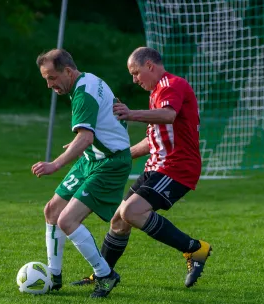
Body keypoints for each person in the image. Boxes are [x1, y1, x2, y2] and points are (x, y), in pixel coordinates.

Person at [71, 46, 212, 289]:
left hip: (177, 167)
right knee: (119, 220)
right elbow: (153, 140)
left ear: (150, 65)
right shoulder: (157, 92)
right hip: (157, 166)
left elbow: (168, 116)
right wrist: (114, 155)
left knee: (132, 212)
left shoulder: (172, 84)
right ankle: (103, 274)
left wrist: (130, 114)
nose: (134, 80)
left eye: (136, 73)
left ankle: (195, 249)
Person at [32, 48, 132, 298]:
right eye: (45, 79)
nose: (49, 85)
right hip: (93, 157)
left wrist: (55, 164)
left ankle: (105, 274)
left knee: (67, 220)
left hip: (110, 163)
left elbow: (85, 137)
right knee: (52, 211)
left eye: (52, 78)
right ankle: (53, 277)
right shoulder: (90, 79)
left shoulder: (83, 94)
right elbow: (115, 109)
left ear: (68, 71)